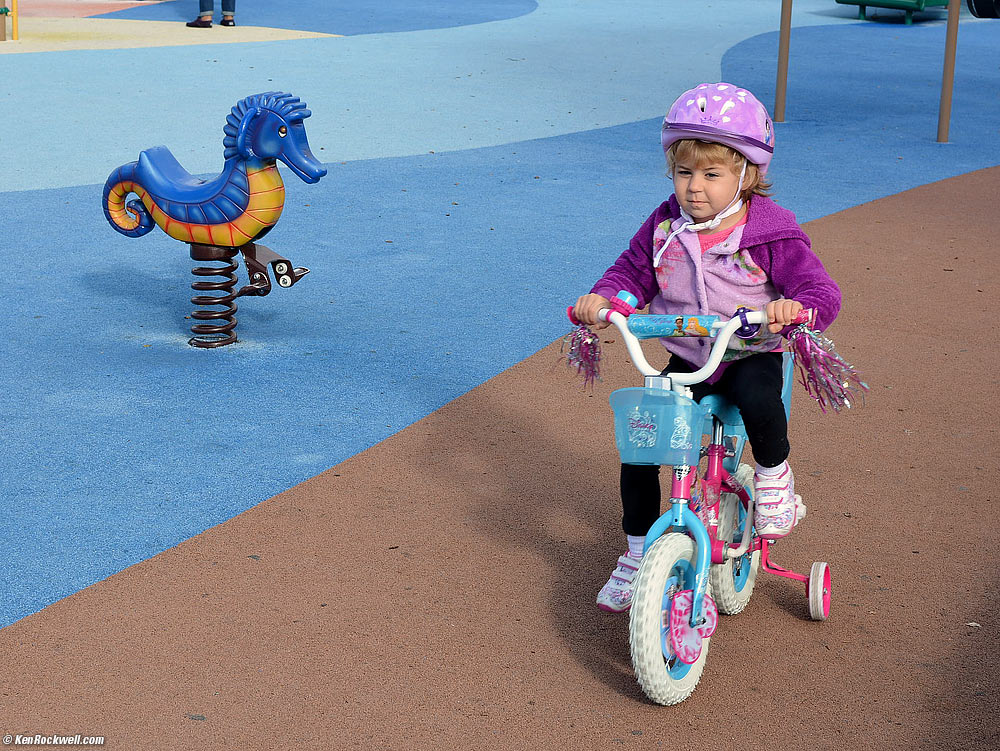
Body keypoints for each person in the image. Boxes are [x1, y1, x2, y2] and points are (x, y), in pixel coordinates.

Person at [572, 82, 841, 614]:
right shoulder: (665, 226)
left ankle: (773, 479)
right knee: (643, 442)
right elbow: (632, 273)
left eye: (712, 174)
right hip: (689, 356)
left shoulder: (770, 235)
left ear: (748, 175)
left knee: (761, 400)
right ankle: (635, 552)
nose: (695, 188)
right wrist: (606, 301)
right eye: (684, 172)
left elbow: (819, 290)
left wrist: (796, 308)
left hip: (748, 351)